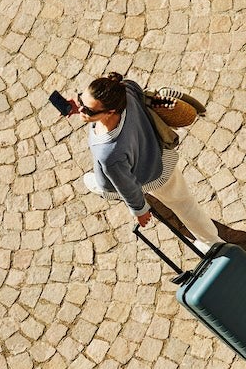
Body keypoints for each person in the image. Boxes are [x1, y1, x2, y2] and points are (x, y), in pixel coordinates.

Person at [73, 72, 224, 250]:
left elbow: (127, 185)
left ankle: (212, 243)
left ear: (110, 112)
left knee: (111, 184)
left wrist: (140, 210)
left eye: (88, 110)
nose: (81, 110)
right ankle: (210, 240)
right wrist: (80, 105)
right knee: (184, 202)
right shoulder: (125, 91)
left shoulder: (109, 153)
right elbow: (137, 92)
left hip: (150, 175)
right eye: (81, 100)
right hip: (157, 155)